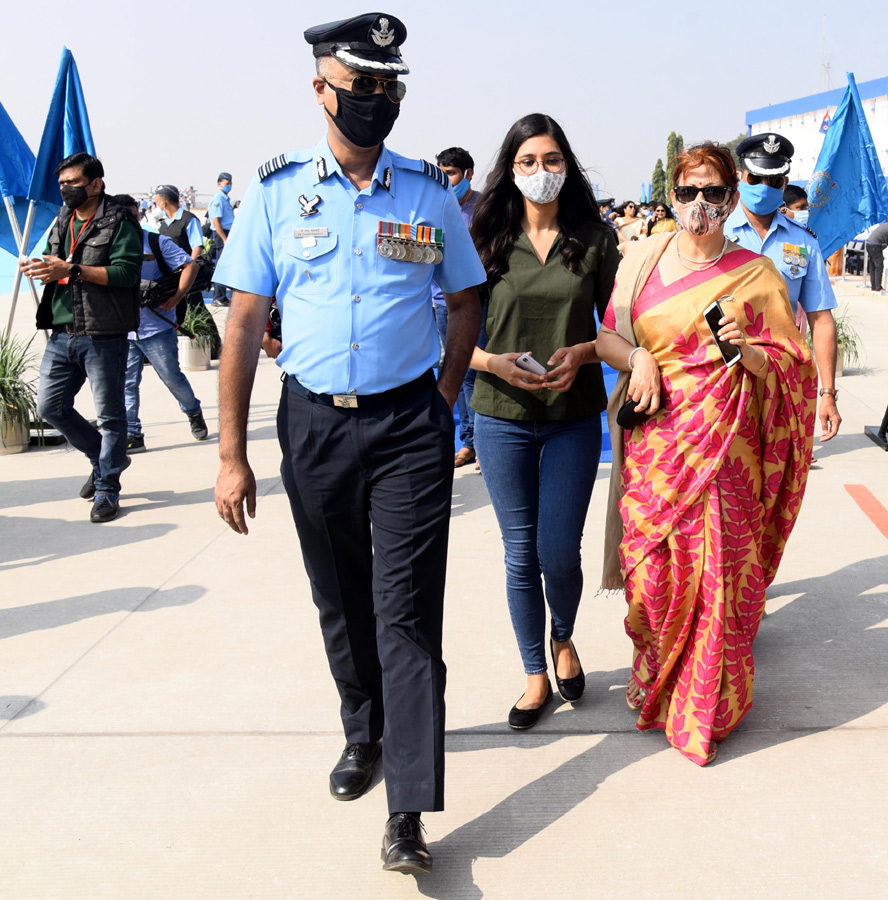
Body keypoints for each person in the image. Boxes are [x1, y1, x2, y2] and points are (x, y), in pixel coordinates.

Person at [212, 13, 485, 877]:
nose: (377, 102)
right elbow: (245, 321)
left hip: (409, 424)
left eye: (389, 87)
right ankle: (361, 733)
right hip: (314, 422)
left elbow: (467, 299)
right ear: (321, 89)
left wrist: (442, 395)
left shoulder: (427, 193)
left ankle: (408, 810)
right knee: (340, 595)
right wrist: (230, 454)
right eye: (362, 85)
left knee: (406, 611)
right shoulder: (276, 194)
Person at [595, 141, 817, 765]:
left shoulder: (758, 274)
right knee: (655, 580)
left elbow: (792, 365)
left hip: (725, 452)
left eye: (714, 193)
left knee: (717, 576)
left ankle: (707, 707)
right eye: (689, 191)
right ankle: (658, 681)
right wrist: (637, 357)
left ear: (732, 198)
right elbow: (609, 334)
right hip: (655, 447)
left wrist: (746, 352)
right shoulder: (641, 258)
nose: (700, 204)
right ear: (672, 194)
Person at [466, 112, 618, 730]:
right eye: (527, 162)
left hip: (572, 417)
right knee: (519, 554)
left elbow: (617, 326)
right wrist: (490, 364)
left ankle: (565, 636)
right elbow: (448, 329)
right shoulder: (483, 235)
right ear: (510, 169)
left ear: (567, 166)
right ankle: (535, 672)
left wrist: (585, 352)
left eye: (551, 160)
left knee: (559, 551)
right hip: (500, 417)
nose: (540, 173)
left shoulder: (595, 238)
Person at [21, 152, 142, 523]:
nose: (65, 190)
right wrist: (41, 266)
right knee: (49, 407)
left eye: (72, 183)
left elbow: (125, 273)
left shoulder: (119, 221)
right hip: (62, 332)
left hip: (103, 334)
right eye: (62, 184)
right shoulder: (63, 218)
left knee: (110, 418)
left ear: (95, 184)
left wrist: (72, 269)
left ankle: (107, 490)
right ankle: (104, 458)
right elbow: (54, 259)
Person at [726, 133, 840, 441]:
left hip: (781, 376)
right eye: (756, 177)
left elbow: (822, 320)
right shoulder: (715, 234)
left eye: (774, 181)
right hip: (722, 377)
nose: (764, 187)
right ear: (740, 177)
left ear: (784, 182)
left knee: (778, 480)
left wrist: (828, 392)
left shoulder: (803, 242)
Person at [113, 194, 208, 452]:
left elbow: (190, 266)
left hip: (157, 327)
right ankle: (133, 433)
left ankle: (193, 411)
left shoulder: (156, 242)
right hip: (123, 329)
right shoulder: (107, 246)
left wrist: (176, 297)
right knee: (126, 383)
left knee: (172, 378)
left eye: (132, 216)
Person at [431, 145, 485, 467]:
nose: (446, 178)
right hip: (441, 302)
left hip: (476, 302)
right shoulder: (436, 206)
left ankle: (484, 440)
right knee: (453, 370)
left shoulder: (485, 208)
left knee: (479, 371)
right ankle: (468, 441)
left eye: (451, 172)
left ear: (468, 173)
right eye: (442, 172)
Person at [153, 183, 220, 358]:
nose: (156, 204)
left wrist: (189, 268)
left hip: (187, 273)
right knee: (179, 310)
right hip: (170, 276)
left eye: (157, 200)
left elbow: (196, 246)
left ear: (164, 201)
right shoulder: (163, 225)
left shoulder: (188, 219)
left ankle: (213, 346)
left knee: (196, 307)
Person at [207, 171, 236, 307]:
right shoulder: (218, 199)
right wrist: (224, 238)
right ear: (219, 185)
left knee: (225, 266)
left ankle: (222, 296)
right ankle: (218, 297)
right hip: (221, 234)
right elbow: (216, 221)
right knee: (221, 266)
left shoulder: (224, 198)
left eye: (230, 183)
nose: (229, 185)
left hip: (227, 233)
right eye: (226, 183)